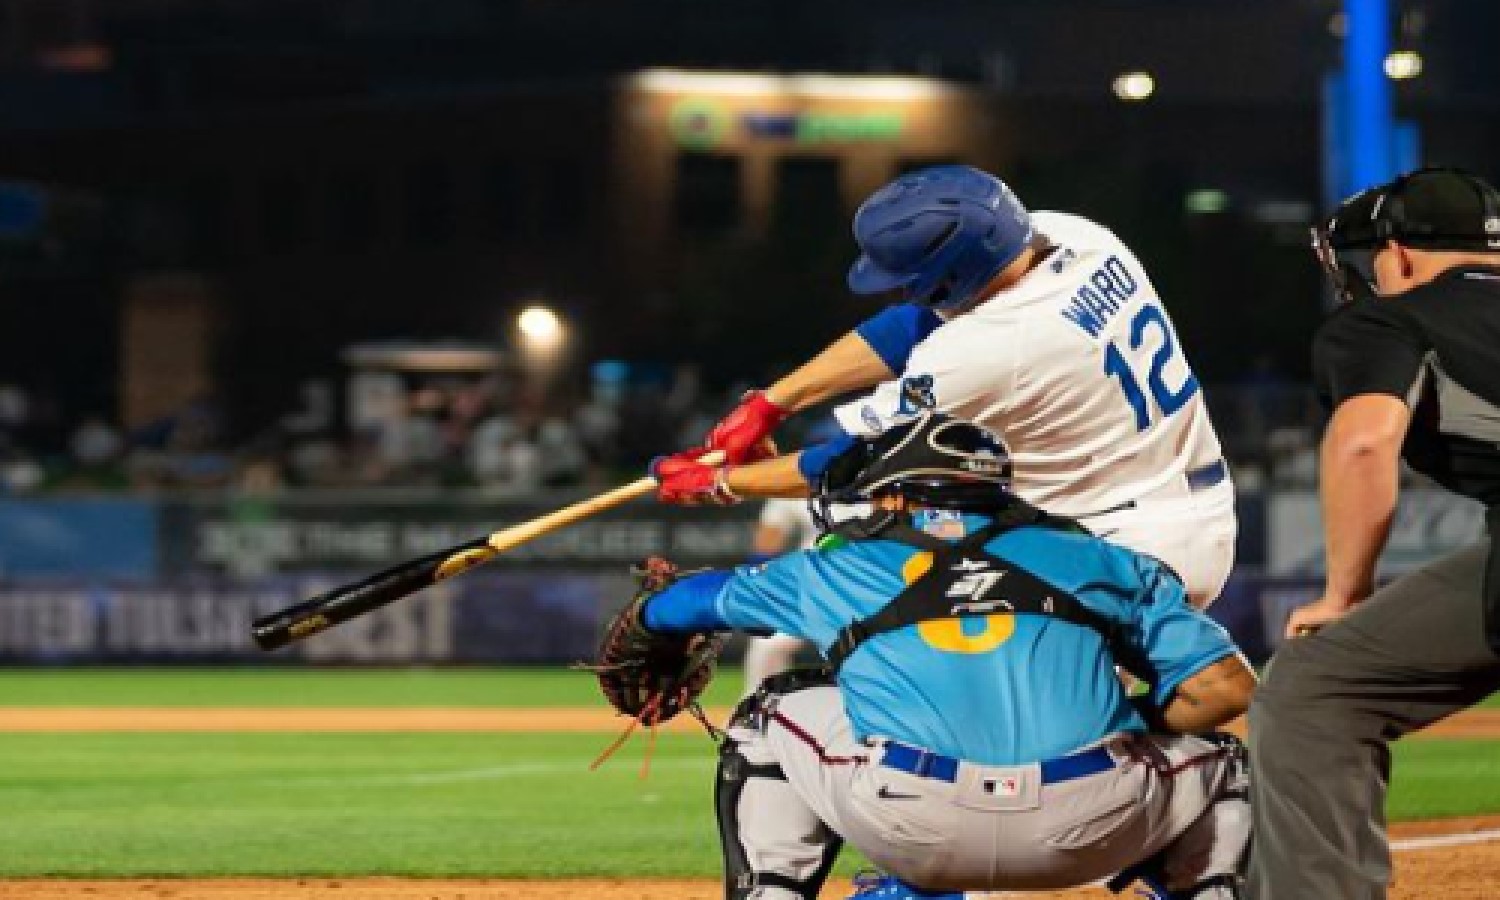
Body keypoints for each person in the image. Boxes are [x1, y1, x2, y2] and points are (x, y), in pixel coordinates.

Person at [635, 412, 1255, 899]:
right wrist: (1127, 728)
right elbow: (1225, 690)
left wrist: (646, 617)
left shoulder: (838, 567)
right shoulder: (1099, 558)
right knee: (1225, 761)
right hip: (1097, 824)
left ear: (899, 498)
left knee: (768, 709)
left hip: (910, 825)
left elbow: (691, 602)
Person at [653, 164, 1236, 609]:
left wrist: (726, 482)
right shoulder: (1076, 238)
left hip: (1120, 543)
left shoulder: (985, 352)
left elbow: (864, 464)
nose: (903, 292)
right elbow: (916, 325)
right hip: (1166, 506)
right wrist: (770, 404)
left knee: (997, 730)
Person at [1246, 167, 1500, 899]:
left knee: (1313, 691)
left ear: (1400, 255)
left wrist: (1343, 594)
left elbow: (1362, 443)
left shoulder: (1392, 317)